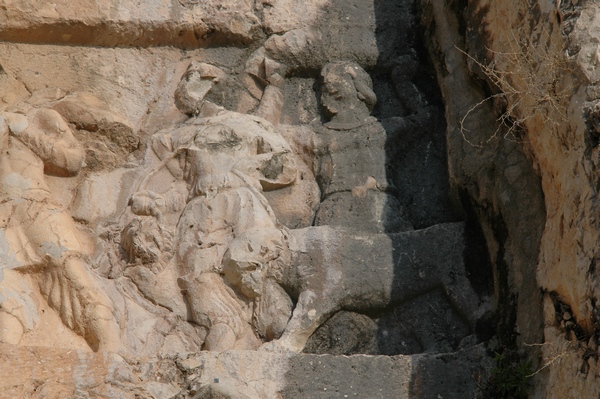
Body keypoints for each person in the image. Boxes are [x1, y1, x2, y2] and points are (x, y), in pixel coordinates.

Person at [130, 62, 296, 350]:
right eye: (187, 81)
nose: (185, 90)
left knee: (255, 277)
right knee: (199, 281)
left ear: (215, 88)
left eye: (196, 81)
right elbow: (184, 186)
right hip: (200, 213)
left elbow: (285, 166)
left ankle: (266, 338)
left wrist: (243, 169)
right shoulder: (178, 137)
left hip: (242, 205)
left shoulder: (245, 125)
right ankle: (222, 340)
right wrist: (157, 203)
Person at [0, 108, 121, 352]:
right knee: (6, 287)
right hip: (4, 218)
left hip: (38, 207)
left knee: (71, 273)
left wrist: (23, 130)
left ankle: (110, 351)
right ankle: (8, 355)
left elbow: (73, 160)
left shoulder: (39, 117)